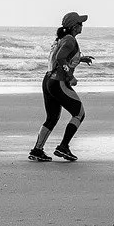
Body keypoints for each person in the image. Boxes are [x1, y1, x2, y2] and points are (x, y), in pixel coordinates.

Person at [29, 11, 94, 162]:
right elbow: (60, 58)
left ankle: (37, 150)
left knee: (52, 118)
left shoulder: (62, 39)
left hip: (47, 81)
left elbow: (60, 55)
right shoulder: (70, 40)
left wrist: (80, 59)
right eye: (80, 23)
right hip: (58, 82)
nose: (82, 25)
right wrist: (70, 76)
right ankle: (63, 147)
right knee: (79, 113)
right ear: (74, 26)